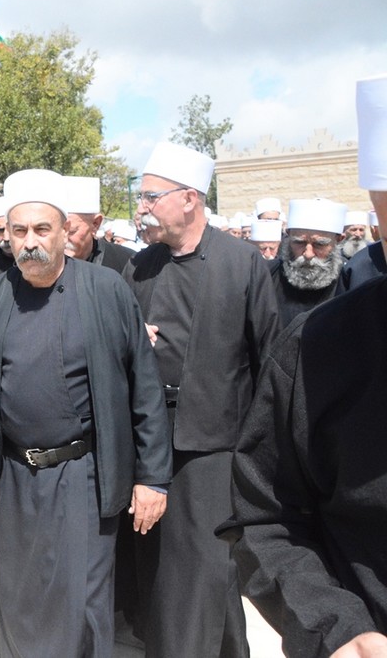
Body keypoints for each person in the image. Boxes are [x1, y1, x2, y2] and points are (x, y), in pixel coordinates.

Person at [0, 169, 172, 657]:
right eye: (18, 231)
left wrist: (153, 477)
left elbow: (144, 390)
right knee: (21, 592)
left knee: (83, 599)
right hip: (14, 476)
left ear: (65, 229)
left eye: (42, 230)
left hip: (83, 476)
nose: (30, 242)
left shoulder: (106, 290)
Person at [219, 72, 387, 658]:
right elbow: (269, 517)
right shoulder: (318, 344)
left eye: (322, 244)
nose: (308, 255)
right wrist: (334, 624)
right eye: (299, 244)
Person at [121, 142, 280, 657]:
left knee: (205, 567)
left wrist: (258, 453)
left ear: (189, 198)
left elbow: (269, 361)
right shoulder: (140, 267)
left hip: (216, 448)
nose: (142, 206)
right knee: (162, 568)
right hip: (150, 443)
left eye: (151, 196)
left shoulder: (243, 263)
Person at [268, 198, 346, 328]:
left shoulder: (349, 280)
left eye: (319, 244)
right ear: (288, 235)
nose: (308, 254)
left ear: (338, 240)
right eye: (299, 242)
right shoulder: (267, 276)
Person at [63, 175, 135, 274]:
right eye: (56, 230)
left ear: (95, 224)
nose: (63, 239)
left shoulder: (127, 263)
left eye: (71, 231)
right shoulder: (39, 265)